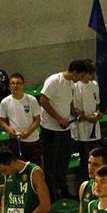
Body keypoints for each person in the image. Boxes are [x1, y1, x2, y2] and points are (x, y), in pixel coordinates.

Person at [38, 60, 82, 200]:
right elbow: (43, 100)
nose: (80, 80)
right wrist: (58, 118)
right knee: (51, 162)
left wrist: (76, 112)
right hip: (50, 128)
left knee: (64, 160)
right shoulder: (54, 80)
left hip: (65, 128)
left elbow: (69, 102)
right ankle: (51, 194)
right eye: (80, 76)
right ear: (75, 73)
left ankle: (63, 189)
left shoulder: (71, 84)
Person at [70, 59, 103, 191]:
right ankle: (83, 187)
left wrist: (97, 114)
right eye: (89, 73)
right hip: (82, 129)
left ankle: (97, 184)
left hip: (94, 127)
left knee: (97, 158)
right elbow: (72, 109)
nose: (91, 76)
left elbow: (97, 105)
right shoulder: (75, 87)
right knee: (86, 160)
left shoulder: (94, 85)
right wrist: (86, 117)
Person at [0, 73, 42, 166]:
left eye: (18, 83)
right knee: (17, 168)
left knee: (35, 168)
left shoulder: (31, 100)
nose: (15, 85)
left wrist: (28, 132)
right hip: (16, 141)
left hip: (32, 141)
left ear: (23, 85)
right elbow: (1, 120)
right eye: (13, 83)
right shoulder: (5, 102)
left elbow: (37, 120)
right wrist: (9, 130)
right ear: (9, 86)